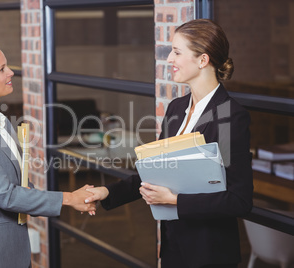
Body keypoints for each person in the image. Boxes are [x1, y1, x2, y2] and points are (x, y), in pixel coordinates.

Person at [85, 19, 253, 268]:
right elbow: (154, 171)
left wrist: (175, 200)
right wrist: (106, 192)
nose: (169, 59)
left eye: (176, 52)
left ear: (202, 60)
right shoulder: (176, 109)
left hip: (209, 255)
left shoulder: (230, 116)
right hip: (173, 248)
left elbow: (238, 200)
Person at [0, 41, 96, 268]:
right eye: (2, 69)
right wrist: (68, 198)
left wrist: (68, 199)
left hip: (12, 247)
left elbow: (19, 185)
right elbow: (4, 194)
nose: (11, 72)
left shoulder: (0, 121)